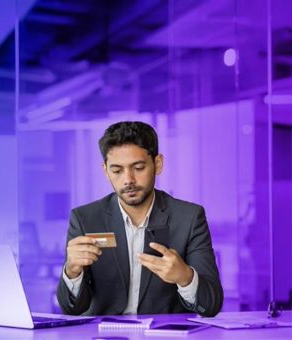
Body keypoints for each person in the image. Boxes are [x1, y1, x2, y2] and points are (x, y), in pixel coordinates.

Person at [56, 121, 223, 317]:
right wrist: (72, 271)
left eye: (138, 167)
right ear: (105, 170)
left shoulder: (189, 218)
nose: (128, 180)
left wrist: (185, 277)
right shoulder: (84, 218)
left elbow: (211, 305)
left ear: (157, 164)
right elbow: (71, 308)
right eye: (117, 171)